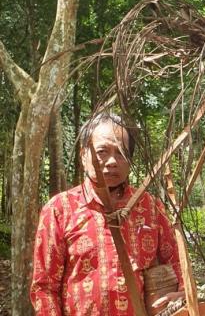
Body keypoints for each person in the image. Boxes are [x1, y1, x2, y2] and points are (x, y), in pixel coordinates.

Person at [31, 113, 183, 315]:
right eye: (102, 151)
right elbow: (44, 287)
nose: (112, 161)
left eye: (121, 153)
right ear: (83, 155)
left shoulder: (151, 207)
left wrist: (182, 295)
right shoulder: (60, 209)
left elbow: (178, 264)